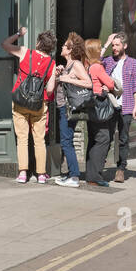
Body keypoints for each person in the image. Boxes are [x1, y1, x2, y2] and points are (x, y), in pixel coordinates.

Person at [1, 27, 58, 184]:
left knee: (22, 139)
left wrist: (19, 34)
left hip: (20, 101)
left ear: (39, 42)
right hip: (39, 104)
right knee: (39, 140)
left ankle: (23, 173)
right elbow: (51, 89)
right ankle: (41, 174)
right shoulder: (51, 64)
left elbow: (5, 44)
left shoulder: (26, 52)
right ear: (51, 47)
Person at [102, 32, 136, 184]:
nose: (114, 48)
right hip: (110, 104)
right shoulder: (107, 61)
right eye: (113, 45)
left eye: (117, 45)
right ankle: (101, 165)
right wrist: (107, 42)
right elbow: (94, 61)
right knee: (107, 136)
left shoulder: (134, 63)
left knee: (124, 138)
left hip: (127, 105)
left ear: (125, 46)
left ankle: (121, 169)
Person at [53, 33, 92, 188]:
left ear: (69, 50)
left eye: (64, 45)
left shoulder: (76, 64)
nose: (62, 47)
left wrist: (65, 78)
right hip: (63, 107)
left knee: (66, 141)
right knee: (66, 140)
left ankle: (74, 176)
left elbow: (88, 83)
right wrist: (59, 74)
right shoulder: (67, 66)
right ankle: (71, 174)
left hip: (69, 109)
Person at [81, 38, 120, 187]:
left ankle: (90, 175)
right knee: (103, 139)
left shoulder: (87, 66)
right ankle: (95, 176)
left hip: (91, 106)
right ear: (94, 51)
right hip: (100, 105)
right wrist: (107, 84)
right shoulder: (97, 67)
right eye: (98, 48)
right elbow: (110, 83)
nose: (100, 51)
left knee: (93, 140)